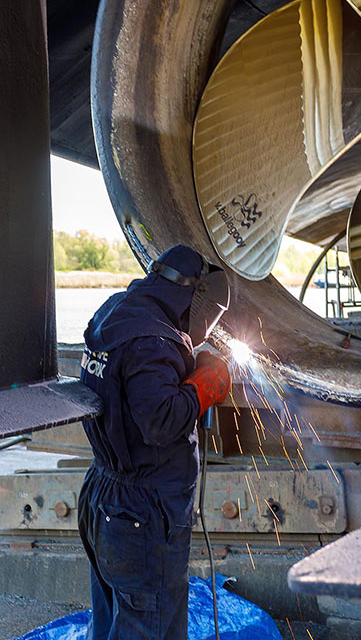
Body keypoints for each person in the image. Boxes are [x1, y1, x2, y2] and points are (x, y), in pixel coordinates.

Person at [77, 244, 234, 639]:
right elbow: (159, 420)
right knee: (149, 626)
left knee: (115, 621)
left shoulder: (118, 311)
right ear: (196, 299)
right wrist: (201, 389)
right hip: (141, 516)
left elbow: (132, 391)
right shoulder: (155, 342)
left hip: (104, 497)